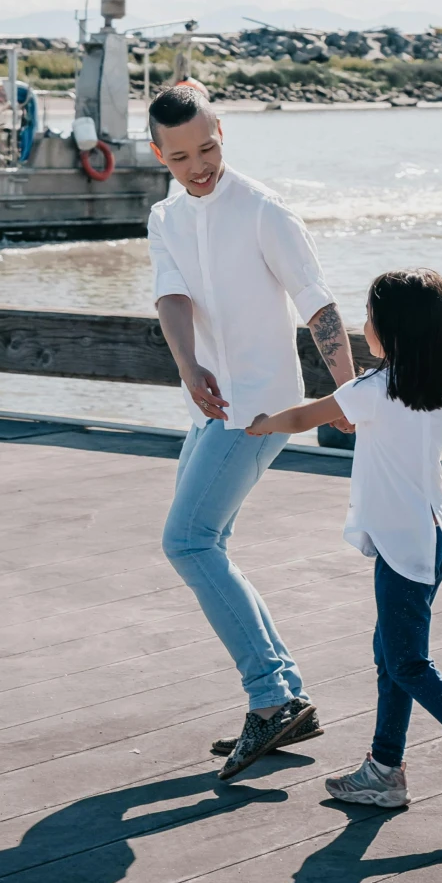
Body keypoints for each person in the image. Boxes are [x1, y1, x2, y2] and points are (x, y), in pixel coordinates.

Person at [247, 267, 442, 829]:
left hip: (404, 548)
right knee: (390, 657)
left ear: (391, 330)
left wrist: (262, 424)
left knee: (406, 663)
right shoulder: (427, 386)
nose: (363, 323)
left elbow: (310, 414)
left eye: (370, 315)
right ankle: (383, 770)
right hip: (429, 536)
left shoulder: (375, 389)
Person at [147, 82, 358, 782]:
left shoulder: (265, 210)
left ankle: (271, 698)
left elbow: (317, 301)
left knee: (188, 539)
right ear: (160, 154)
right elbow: (171, 295)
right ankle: (285, 694)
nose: (199, 164)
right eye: (182, 155)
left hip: (263, 407)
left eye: (207, 148)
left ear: (222, 133)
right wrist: (187, 366)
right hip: (208, 408)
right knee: (209, 543)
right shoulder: (167, 217)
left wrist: (348, 391)